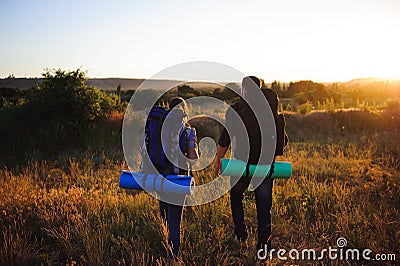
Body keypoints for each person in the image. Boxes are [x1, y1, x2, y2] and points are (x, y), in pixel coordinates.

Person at [214, 76, 278, 254]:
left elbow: (225, 138)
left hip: (241, 164)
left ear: (243, 89)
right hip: (265, 165)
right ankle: (264, 246)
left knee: (235, 195)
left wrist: (219, 159)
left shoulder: (236, 109)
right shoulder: (268, 109)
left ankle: (241, 234)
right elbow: (282, 138)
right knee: (264, 206)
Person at [142, 97, 199, 260]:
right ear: (184, 111)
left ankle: (167, 249)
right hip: (178, 180)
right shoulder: (188, 131)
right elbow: (193, 160)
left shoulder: (158, 126)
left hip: (159, 177)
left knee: (165, 215)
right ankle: (172, 259)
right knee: (175, 221)